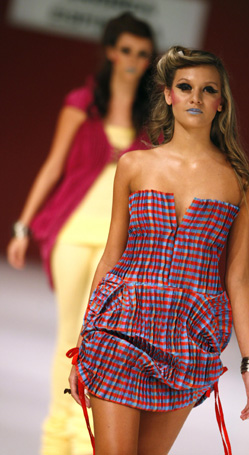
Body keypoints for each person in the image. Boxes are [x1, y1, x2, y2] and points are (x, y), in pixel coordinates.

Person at [68, 45, 249, 455]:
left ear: (220, 103)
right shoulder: (134, 165)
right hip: (120, 327)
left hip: (189, 338)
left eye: (207, 89)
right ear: (169, 95)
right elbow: (111, 255)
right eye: (185, 87)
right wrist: (83, 343)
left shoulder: (244, 178)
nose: (195, 97)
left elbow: (239, 275)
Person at [7, 12, 156, 455]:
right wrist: (22, 226)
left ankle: (81, 436)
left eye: (143, 53)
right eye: (126, 50)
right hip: (73, 231)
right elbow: (54, 164)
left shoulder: (153, 113)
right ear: (110, 51)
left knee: (98, 342)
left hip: (121, 240)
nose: (133, 60)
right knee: (70, 337)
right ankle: (59, 438)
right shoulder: (83, 101)